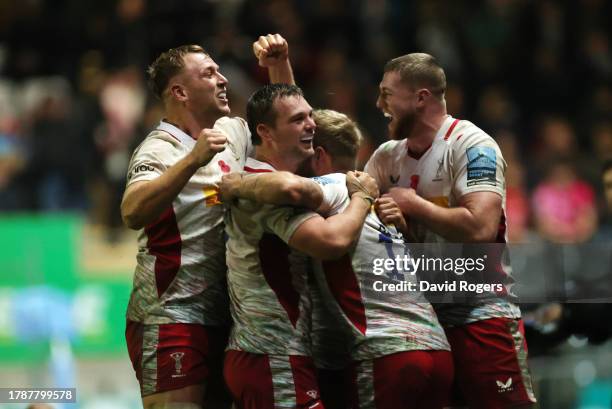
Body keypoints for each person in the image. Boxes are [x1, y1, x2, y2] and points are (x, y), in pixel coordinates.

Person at [221, 108, 454, 409]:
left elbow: (288, 187)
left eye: (305, 152)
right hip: (437, 349)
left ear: (319, 155)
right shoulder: (381, 204)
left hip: (386, 355)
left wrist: (236, 183)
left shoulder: (337, 188)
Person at [120, 34, 294, 409]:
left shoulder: (232, 132)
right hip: (171, 314)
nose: (223, 79)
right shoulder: (159, 149)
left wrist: (277, 66)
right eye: (209, 73)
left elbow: (291, 129)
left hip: (229, 317)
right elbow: (132, 211)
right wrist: (191, 161)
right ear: (180, 92)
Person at [364, 53, 537, 408]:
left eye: (386, 94)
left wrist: (411, 204)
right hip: (420, 322)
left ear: (421, 97)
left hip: (480, 314)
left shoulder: (473, 146)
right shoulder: (385, 158)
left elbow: (481, 226)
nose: (379, 104)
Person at [222, 84, 378, 409]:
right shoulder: (265, 190)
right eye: (298, 120)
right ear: (265, 132)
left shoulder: (268, 178)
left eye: (311, 116)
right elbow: (331, 241)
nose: (311, 125)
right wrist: (363, 198)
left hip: (265, 353)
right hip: (272, 353)